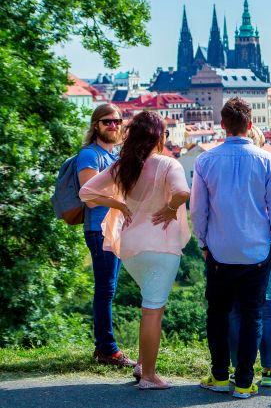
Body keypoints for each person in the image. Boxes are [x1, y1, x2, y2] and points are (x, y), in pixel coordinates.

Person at [79, 111, 191, 390]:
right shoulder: (168, 164)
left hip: (130, 247)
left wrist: (119, 205)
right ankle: (149, 377)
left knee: (149, 302)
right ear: (158, 137)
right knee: (153, 309)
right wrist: (168, 209)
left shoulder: (123, 166)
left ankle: (143, 365)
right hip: (161, 246)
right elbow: (182, 193)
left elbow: (87, 192)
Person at [191, 98, 271, 399]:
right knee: (252, 315)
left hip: (219, 252)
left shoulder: (205, 161)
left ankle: (220, 376)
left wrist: (203, 243)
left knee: (217, 314)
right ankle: (245, 382)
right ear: (249, 125)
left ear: (222, 125)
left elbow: (197, 211)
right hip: (257, 252)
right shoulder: (267, 160)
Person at [76, 103, 136, 370]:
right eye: (107, 122)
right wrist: (121, 205)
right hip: (99, 229)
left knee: (108, 290)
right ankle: (108, 349)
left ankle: (104, 346)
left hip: (114, 229)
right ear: (96, 126)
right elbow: (88, 198)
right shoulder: (90, 155)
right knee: (105, 290)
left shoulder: (114, 156)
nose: (113, 126)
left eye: (117, 121)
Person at [227, 125, 271, 387]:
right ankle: (269, 371)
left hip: (232, 251)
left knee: (236, 311)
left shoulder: (229, 176)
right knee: (267, 310)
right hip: (268, 249)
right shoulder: (268, 170)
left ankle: (238, 368)